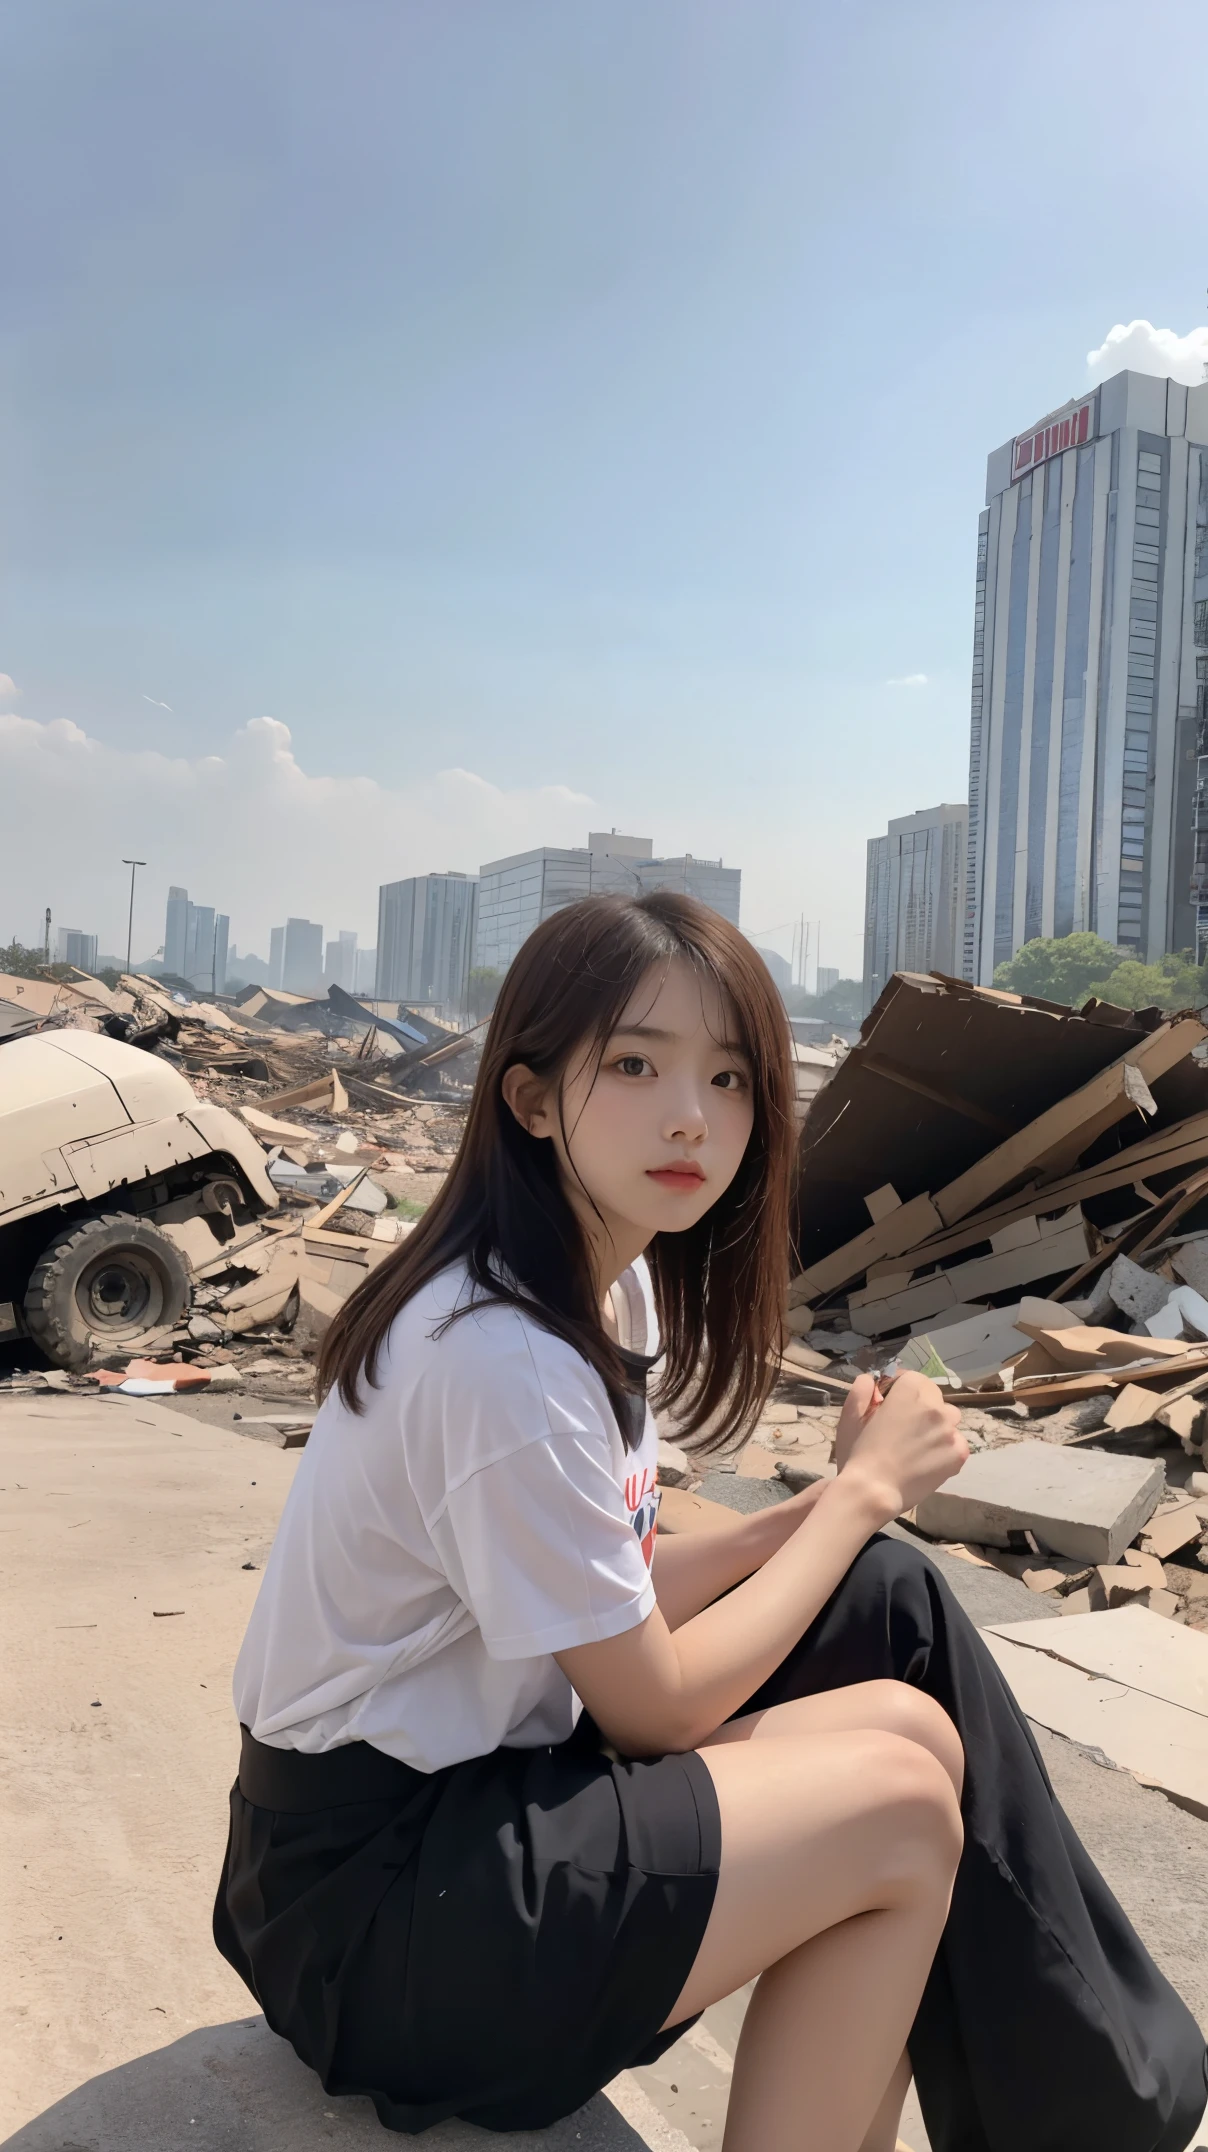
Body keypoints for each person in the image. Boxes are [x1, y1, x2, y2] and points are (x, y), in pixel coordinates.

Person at [214, 891, 1206, 2152]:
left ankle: (1085, 2088)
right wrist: (855, 1496)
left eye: (730, 1075)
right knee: (896, 1800)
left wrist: (809, 1518)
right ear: (527, 1098)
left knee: (889, 1644)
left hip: (466, 1816)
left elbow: (611, 1581)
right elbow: (653, 1706)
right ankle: (1099, 2088)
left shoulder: (603, 1287)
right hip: (377, 1910)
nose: (694, 1114)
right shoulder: (496, 1355)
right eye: (633, 1064)